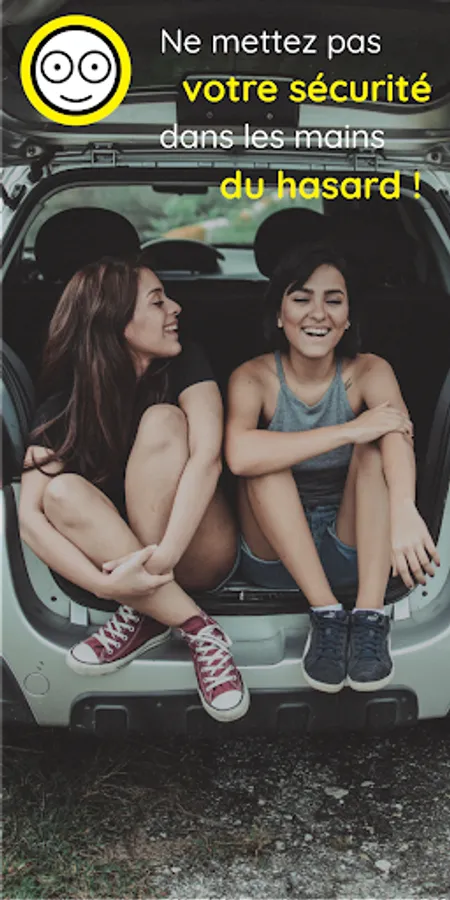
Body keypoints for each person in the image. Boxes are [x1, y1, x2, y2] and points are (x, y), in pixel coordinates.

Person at [19, 257, 249, 723]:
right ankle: (196, 628)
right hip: (124, 571)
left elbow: (208, 458)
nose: (175, 308)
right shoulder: (63, 406)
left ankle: (144, 612)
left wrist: (158, 564)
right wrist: (107, 586)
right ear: (115, 320)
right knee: (59, 493)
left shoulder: (186, 364)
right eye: (158, 301)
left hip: (197, 549)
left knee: (163, 420)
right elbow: (29, 519)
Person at [225, 243, 440, 694]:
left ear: (348, 318)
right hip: (275, 555)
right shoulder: (252, 377)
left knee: (375, 449)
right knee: (265, 462)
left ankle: (368, 617)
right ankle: (326, 615)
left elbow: (397, 434)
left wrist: (404, 510)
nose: (318, 313)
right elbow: (240, 456)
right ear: (279, 314)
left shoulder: (370, 370)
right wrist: (349, 430)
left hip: (354, 551)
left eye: (334, 300)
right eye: (301, 298)